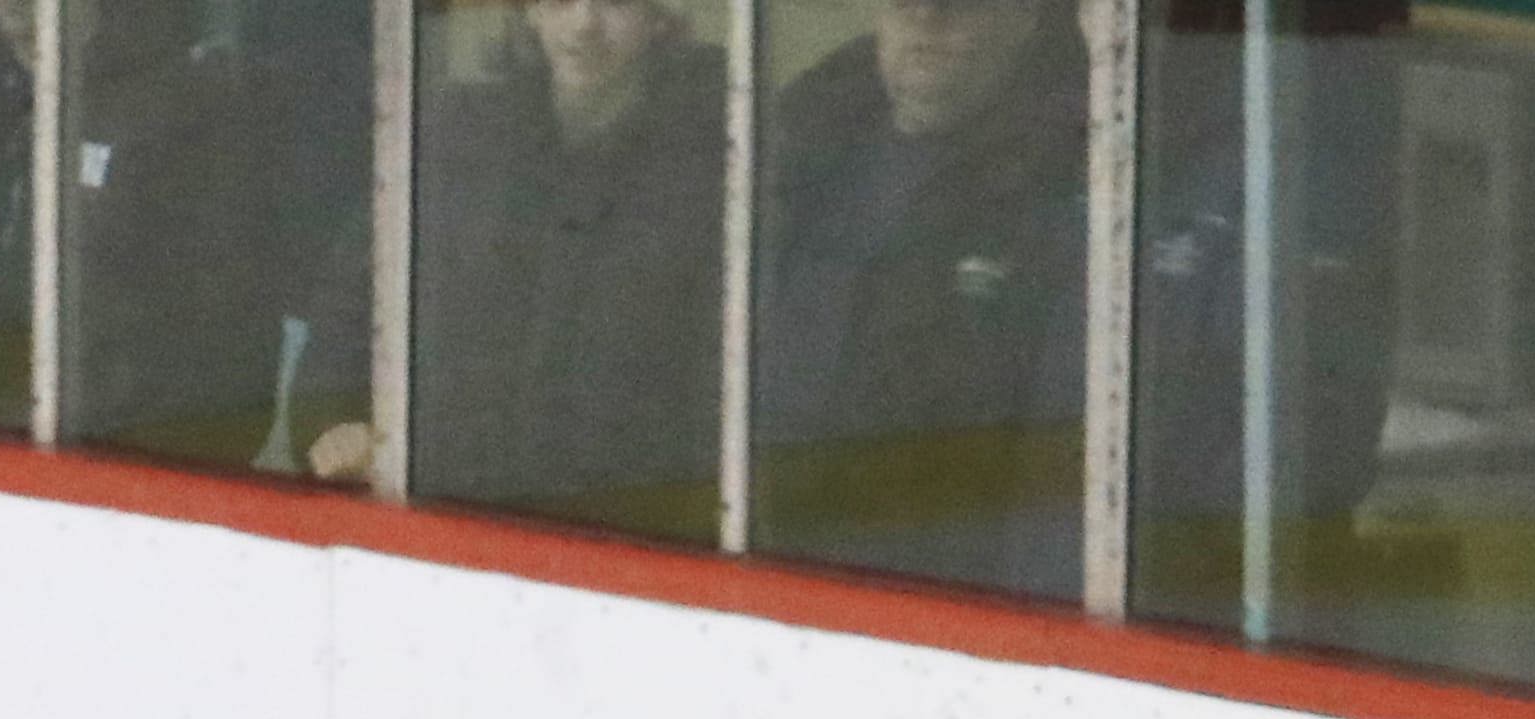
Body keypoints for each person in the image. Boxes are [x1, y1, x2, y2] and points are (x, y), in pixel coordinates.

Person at [303, 0, 720, 528]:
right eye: (560, 0)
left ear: (659, 16)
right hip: (440, 506)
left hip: (624, 521)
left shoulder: (715, 160)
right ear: (529, 11)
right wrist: (333, 422)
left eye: (616, 1)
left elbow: (718, 371)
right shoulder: (455, 138)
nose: (584, 22)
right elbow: (355, 298)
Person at [755, 0, 1090, 602]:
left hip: (950, 594)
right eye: (903, 1)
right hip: (770, 558)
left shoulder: (1079, 181)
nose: (926, 18)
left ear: (1025, 17)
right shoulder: (801, 146)